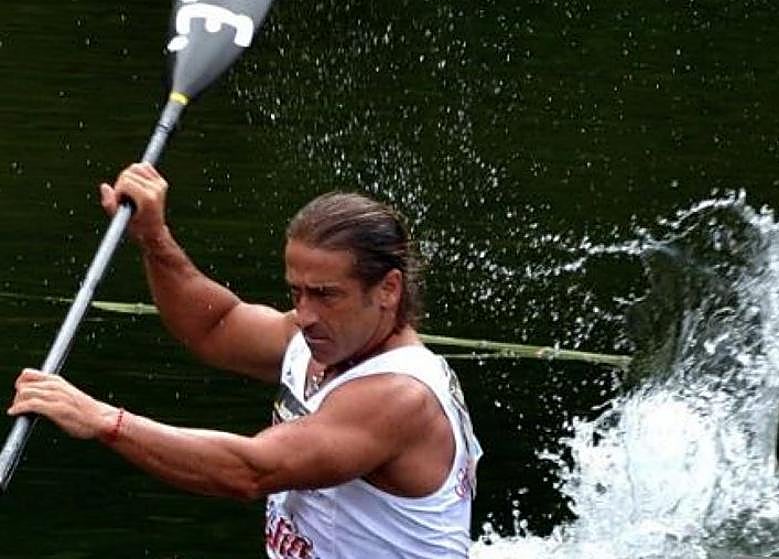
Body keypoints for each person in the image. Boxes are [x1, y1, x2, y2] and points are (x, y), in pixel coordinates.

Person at [8, 162, 482, 559]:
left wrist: (102, 420)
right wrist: (154, 239)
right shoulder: (318, 336)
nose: (305, 314)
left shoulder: (398, 397)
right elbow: (215, 327)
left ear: (388, 289)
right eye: (296, 291)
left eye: (325, 295)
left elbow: (250, 471)